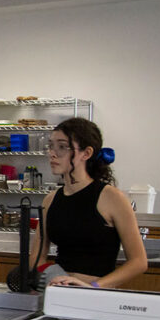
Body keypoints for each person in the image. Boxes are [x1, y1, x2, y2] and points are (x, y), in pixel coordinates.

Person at [32, 118, 147, 288]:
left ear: (86, 153)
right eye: (51, 146)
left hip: (96, 295)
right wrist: (47, 276)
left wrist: (94, 286)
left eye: (62, 147)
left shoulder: (112, 198)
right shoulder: (50, 200)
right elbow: (37, 256)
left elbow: (138, 262)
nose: (53, 153)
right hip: (57, 293)